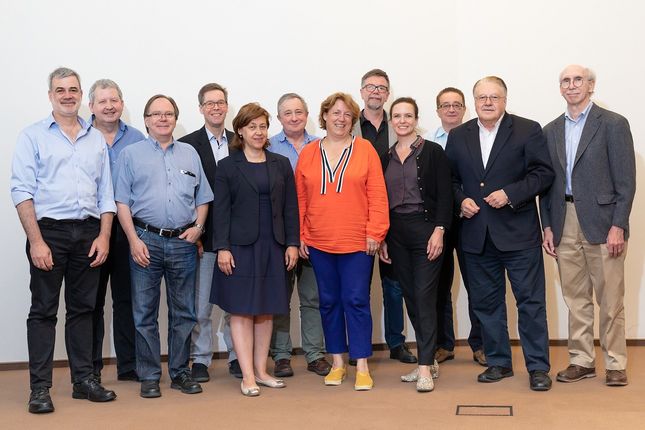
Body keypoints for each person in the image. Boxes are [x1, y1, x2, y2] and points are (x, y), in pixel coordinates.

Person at [11, 67, 117, 414]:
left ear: (80, 93)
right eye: (61, 90)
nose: (67, 95)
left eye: (73, 89)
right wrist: (36, 241)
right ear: (50, 95)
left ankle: (83, 381)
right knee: (43, 311)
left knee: (84, 310)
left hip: (88, 233)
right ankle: (39, 389)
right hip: (49, 233)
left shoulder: (95, 139)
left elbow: (106, 194)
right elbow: (21, 191)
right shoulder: (33, 137)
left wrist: (103, 235)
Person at [445, 76, 554, 391]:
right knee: (486, 303)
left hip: (518, 233)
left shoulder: (527, 129)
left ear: (505, 100)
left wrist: (511, 193)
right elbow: (450, 180)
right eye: (482, 97)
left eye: (494, 97)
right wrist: (460, 200)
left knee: (530, 303)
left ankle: (537, 367)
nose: (488, 102)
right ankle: (499, 363)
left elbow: (543, 174)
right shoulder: (459, 135)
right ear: (474, 101)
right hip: (476, 235)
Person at [540, 65, 636, 387]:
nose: (571, 85)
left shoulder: (613, 124)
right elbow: (546, 183)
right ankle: (581, 360)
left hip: (603, 222)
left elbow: (626, 182)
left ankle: (615, 362)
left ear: (591, 85)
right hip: (563, 220)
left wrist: (618, 224)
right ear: (560, 88)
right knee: (575, 297)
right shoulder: (550, 130)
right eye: (565, 80)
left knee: (610, 299)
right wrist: (548, 227)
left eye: (578, 79)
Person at [115, 94, 213, 398]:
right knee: (144, 312)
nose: (162, 118)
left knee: (184, 312)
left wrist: (198, 229)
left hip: (183, 243)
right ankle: (149, 375)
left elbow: (203, 197)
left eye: (168, 113)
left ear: (175, 118)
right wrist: (133, 240)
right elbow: (121, 202)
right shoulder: (131, 155)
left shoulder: (190, 153)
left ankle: (181, 373)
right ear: (146, 120)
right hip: (145, 241)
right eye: (156, 114)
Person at [296, 92, 389, 391]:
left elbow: (377, 194)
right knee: (329, 303)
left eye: (347, 114)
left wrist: (376, 231)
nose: (340, 118)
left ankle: (361, 364)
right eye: (334, 113)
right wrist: (301, 234)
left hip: (358, 242)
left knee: (357, 301)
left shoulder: (365, 150)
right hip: (320, 241)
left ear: (353, 120)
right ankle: (337, 363)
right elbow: (300, 199)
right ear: (324, 116)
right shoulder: (309, 153)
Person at [210, 103, 300, 397]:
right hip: (239, 247)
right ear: (240, 131)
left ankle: (262, 371)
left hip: (273, 245)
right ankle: (247, 375)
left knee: (266, 311)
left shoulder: (280, 164)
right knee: (241, 312)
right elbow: (220, 212)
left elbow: (290, 208)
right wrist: (222, 247)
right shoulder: (227, 166)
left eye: (262, 126)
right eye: (252, 127)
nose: (259, 132)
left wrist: (292, 243)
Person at [379, 97, 452, 392]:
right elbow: (379, 200)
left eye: (407, 115)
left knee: (424, 296)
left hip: (426, 230)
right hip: (396, 233)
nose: (402, 121)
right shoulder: (384, 156)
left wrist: (439, 230)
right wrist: (382, 236)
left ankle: (424, 368)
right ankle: (428, 360)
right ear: (391, 121)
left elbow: (446, 195)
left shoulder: (432, 152)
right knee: (410, 296)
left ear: (416, 119)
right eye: (397, 116)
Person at [352, 69, 416, 364]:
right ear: (362, 91)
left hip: (393, 215)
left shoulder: (399, 126)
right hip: (355, 216)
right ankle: (359, 347)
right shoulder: (348, 125)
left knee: (394, 285)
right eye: (370, 87)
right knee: (358, 287)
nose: (376, 92)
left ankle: (396, 342)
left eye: (381, 88)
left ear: (388, 94)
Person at [267, 93, 331, 377]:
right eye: (287, 113)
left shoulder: (321, 147)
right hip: (278, 234)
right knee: (280, 298)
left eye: (299, 112)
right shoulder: (267, 146)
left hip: (315, 232)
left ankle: (315, 354)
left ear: (307, 115)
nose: (294, 117)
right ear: (279, 118)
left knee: (313, 298)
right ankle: (281, 355)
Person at [178, 83, 239, 382]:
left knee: (234, 304)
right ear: (200, 108)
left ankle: (237, 356)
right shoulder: (187, 145)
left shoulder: (242, 142)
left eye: (221, 102)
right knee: (200, 306)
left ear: (227, 107)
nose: (216, 107)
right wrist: (196, 231)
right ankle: (200, 359)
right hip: (203, 237)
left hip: (238, 238)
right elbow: (185, 193)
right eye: (209, 103)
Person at [88, 79, 145, 383]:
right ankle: (91, 369)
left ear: (122, 104)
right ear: (92, 107)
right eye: (102, 101)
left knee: (127, 301)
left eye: (114, 100)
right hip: (90, 231)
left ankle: (129, 365)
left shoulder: (137, 139)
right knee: (92, 303)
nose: (109, 106)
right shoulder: (81, 137)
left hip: (127, 231)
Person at [431, 87, 486, 367]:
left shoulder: (477, 137)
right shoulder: (427, 141)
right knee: (439, 286)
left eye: (456, 105)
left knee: (477, 283)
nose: (451, 110)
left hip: (471, 219)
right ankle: (443, 344)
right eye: (445, 105)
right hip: (439, 222)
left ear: (464, 108)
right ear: (437, 110)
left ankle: (480, 344)